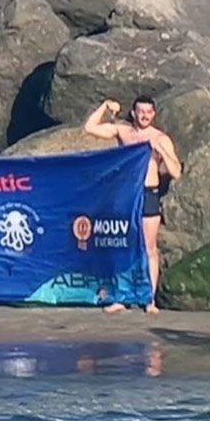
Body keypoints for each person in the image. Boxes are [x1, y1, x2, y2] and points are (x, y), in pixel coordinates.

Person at [83, 96, 181, 315]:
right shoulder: (124, 132)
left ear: (153, 114)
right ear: (134, 114)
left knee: (149, 248)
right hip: (125, 195)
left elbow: (176, 172)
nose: (144, 116)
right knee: (123, 246)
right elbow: (89, 128)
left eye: (148, 112)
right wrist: (105, 106)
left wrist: (160, 151)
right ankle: (121, 297)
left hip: (148, 194)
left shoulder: (160, 138)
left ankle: (149, 299)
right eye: (140, 112)